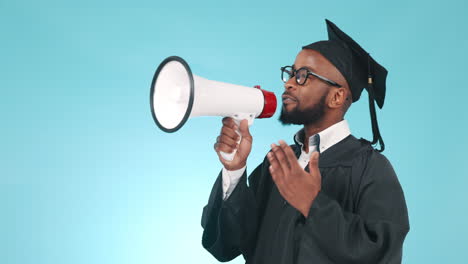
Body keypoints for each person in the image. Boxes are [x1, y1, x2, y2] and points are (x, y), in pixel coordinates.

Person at [201, 19, 409, 264]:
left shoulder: (369, 168)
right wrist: (234, 171)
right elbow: (226, 245)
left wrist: (313, 205)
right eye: (290, 72)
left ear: (337, 96)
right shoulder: (278, 163)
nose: (289, 83)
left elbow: (381, 254)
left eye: (303, 76)